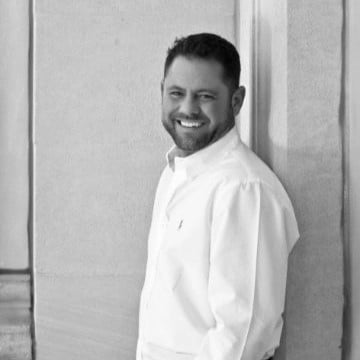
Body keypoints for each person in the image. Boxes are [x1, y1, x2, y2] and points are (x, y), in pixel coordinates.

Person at [136, 33, 299, 360]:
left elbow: (245, 335)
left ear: (236, 101)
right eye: (176, 93)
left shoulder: (244, 190)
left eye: (205, 96)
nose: (187, 108)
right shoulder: (174, 172)